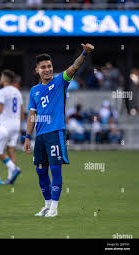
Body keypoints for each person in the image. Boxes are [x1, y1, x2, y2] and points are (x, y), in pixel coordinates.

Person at [24, 43, 94, 217]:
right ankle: (47, 205)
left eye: (49, 66)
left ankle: (54, 208)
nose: (47, 69)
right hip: (39, 136)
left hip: (55, 133)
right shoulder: (34, 91)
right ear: (37, 70)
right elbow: (32, 115)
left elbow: (74, 67)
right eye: (43, 67)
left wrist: (84, 53)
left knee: (55, 170)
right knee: (40, 171)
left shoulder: (60, 81)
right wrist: (27, 137)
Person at [0, 70, 24, 184]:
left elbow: (0, 107)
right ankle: (10, 179)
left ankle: (13, 170)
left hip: (6, 124)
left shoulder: (2, 91)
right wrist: (20, 125)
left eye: (1, 77)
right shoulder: (17, 91)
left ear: (4, 78)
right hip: (16, 123)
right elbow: (22, 109)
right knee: (11, 150)